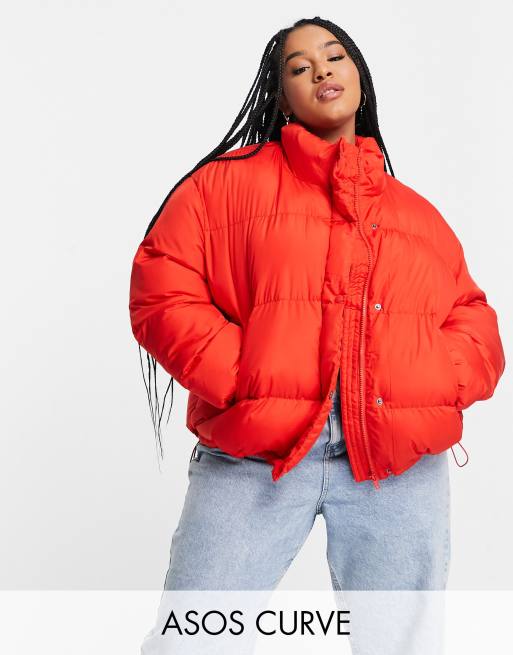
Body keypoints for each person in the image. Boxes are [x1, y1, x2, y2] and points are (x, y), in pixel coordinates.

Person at [128, 16, 506, 655]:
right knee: (191, 640)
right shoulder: (224, 186)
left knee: (403, 647)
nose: (321, 70)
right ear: (281, 97)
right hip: (253, 455)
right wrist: (244, 376)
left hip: (395, 468)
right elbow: (161, 284)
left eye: (334, 57)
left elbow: (474, 318)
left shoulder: (416, 215)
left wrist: (433, 378)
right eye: (299, 67)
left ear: (359, 76)